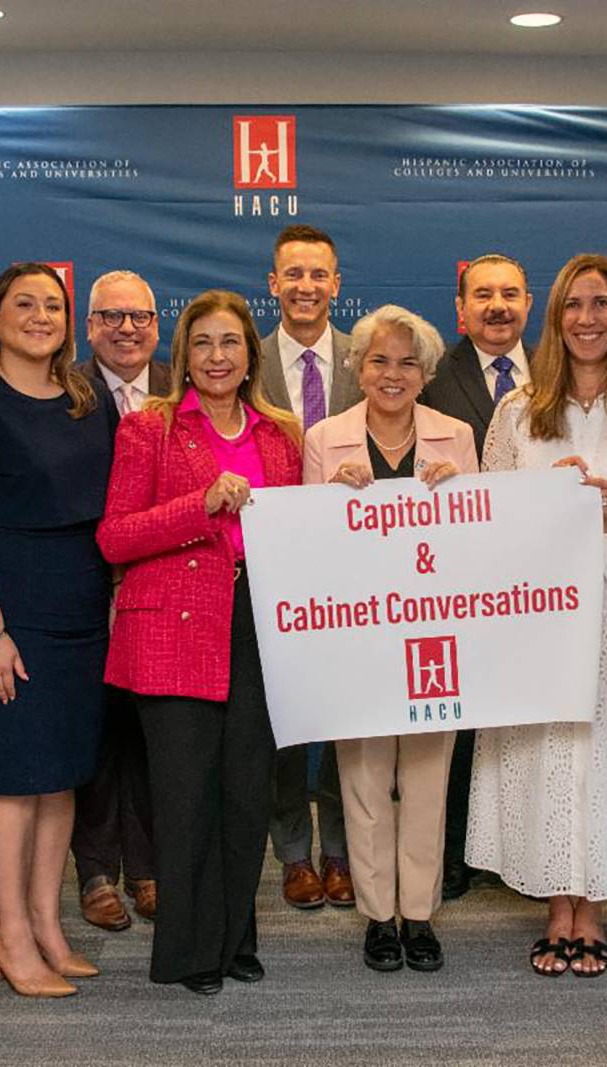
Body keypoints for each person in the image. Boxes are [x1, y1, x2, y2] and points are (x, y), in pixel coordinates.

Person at [466, 253, 607, 978]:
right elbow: (487, 515)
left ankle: (594, 909)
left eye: (601, 304)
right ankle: (557, 904)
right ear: (553, 318)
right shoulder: (516, 412)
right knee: (550, 759)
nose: (587, 319)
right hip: (542, 619)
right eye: (573, 306)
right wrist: (541, 503)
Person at [98, 289, 303, 995]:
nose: (217, 358)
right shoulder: (147, 428)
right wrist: (201, 505)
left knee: (247, 796)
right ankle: (187, 950)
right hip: (174, 628)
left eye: (231, 343)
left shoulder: (281, 434)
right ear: (182, 354)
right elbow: (115, 535)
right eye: (203, 343)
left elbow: (304, 529)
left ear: (252, 354)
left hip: (257, 625)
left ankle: (235, 936)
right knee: (186, 799)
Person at [0, 263, 118, 998]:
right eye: (25, 304)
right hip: (7, 617)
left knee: (60, 777)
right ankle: (9, 934)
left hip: (80, 613)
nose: (40, 316)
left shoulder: (85, 398)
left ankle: (46, 924)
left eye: (53, 305)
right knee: (12, 782)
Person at [305, 304, 478, 972]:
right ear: (357, 366)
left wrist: (463, 492)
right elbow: (307, 547)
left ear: (428, 371)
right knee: (364, 779)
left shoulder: (456, 436)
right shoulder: (325, 438)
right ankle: (379, 916)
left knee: (429, 779)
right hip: (359, 638)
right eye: (379, 359)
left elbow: (483, 539)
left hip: (437, 636)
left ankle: (421, 914)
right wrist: (331, 496)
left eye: (408, 361)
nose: (393, 373)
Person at [417, 251, 533, 900]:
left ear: (528, 304)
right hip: (455, 576)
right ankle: (457, 849)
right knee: (456, 726)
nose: (497, 306)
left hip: (531, 581)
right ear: (460, 309)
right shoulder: (434, 375)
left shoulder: (555, 374)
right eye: (483, 295)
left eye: (510, 294)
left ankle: (519, 846)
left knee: (523, 719)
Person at [257, 224, 358, 909]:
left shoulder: (370, 356)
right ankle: (293, 852)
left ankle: (344, 850)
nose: (305, 287)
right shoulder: (242, 357)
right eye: (293, 274)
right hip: (272, 572)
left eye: (318, 274)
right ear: (273, 284)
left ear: (336, 283)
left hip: (357, 574)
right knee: (284, 725)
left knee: (351, 720)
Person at [70, 269, 170, 931]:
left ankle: (147, 865)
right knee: (97, 733)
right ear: (89, 324)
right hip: (83, 584)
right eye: (111, 316)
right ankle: (95, 871)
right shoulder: (64, 388)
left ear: (158, 324)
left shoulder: (179, 383)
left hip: (163, 585)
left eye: (139, 316)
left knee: (149, 735)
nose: (126, 328)